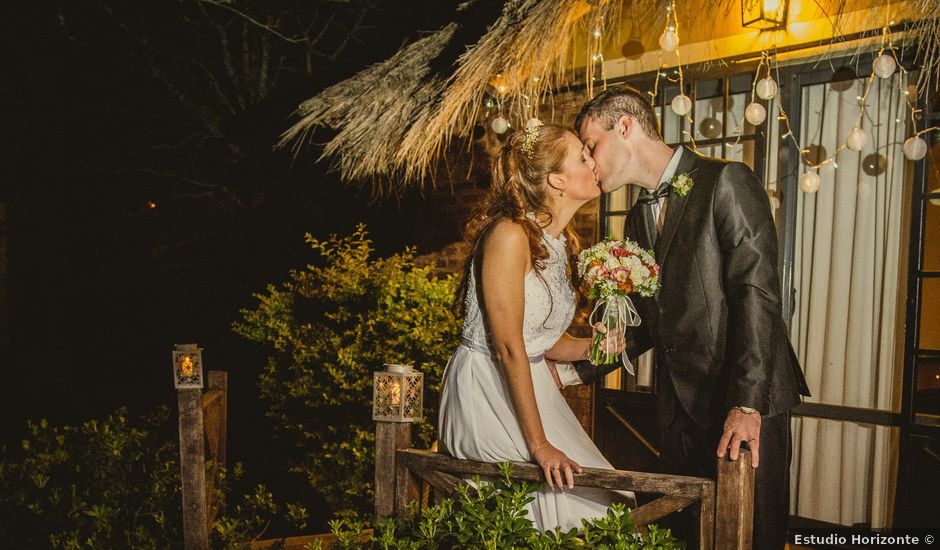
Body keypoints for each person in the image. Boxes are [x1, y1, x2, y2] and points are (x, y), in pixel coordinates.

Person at [556, 85, 810, 550]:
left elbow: (758, 295)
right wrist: (571, 370)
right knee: (690, 535)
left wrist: (747, 404)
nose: (589, 161)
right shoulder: (637, 219)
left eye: (591, 145)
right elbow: (646, 324)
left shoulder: (727, 180)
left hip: (744, 399)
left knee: (750, 534)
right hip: (678, 408)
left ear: (625, 126)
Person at [438, 122, 632, 532]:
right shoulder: (509, 236)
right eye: (583, 156)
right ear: (558, 179)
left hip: (530, 385)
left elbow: (538, 337)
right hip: (487, 386)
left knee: (609, 499)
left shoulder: (559, 242)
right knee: (553, 506)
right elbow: (509, 346)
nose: (593, 161)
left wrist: (590, 346)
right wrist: (539, 445)